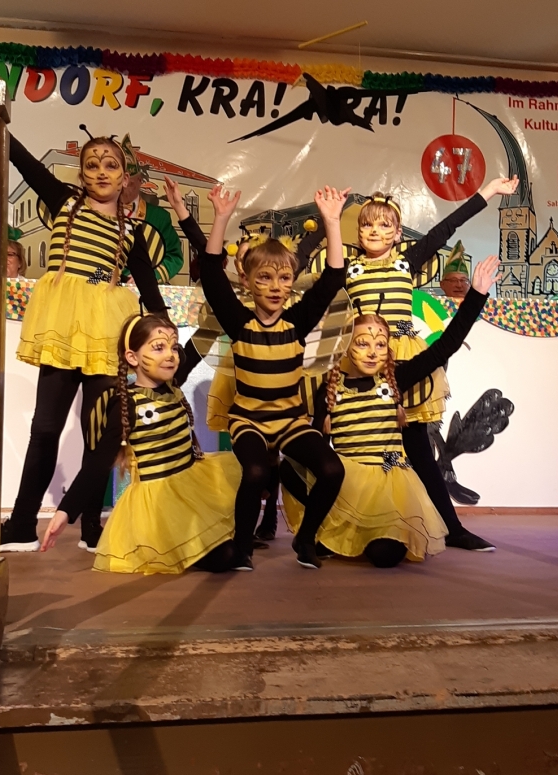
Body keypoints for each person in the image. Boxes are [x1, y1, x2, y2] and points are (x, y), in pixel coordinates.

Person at [1, 133, 167, 553]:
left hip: (106, 332)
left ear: (125, 177)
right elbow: (23, 160)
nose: (101, 172)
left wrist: (165, 335)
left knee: (99, 434)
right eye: (92, 165)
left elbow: (147, 287)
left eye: (111, 165)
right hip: (62, 328)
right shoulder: (64, 202)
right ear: (81, 174)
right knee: (44, 428)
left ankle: (92, 527)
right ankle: (22, 524)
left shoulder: (132, 230)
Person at [282, 255, 501, 567]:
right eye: (362, 344)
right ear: (346, 346)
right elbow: (317, 448)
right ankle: (321, 529)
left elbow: (445, 345)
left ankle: (367, 531)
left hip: (386, 484)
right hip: (348, 484)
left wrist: (476, 294)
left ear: (389, 350)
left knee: (386, 556)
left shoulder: (395, 379)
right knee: (290, 467)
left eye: (380, 345)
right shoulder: (330, 388)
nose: (372, 353)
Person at [346, 177, 518, 551]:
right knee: (352, 443)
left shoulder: (405, 262)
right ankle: (335, 526)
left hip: (402, 360)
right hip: (363, 360)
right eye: (367, 224)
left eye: (385, 225)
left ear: (397, 234)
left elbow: (445, 229)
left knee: (418, 447)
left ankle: (452, 528)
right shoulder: (348, 269)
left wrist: (488, 192)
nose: (375, 231)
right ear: (358, 232)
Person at [198, 184, 349, 571]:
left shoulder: (297, 323)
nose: (276, 287)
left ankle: (305, 537)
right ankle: (242, 548)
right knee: (256, 471)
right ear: (248, 282)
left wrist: (332, 222)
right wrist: (221, 218)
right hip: (248, 420)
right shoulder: (239, 321)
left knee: (332, 470)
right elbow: (211, 272)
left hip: (290, 421)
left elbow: (333, 276)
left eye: (284, 278)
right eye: (264, 278)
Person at [41, 313, 242, 573]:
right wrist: (65, 511)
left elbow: (197, 346)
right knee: (225, 557)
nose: (170, 355)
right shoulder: (128, 404)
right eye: (158, 347)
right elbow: (97, 464)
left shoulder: (173, 384)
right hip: (159, 504)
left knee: (234, 542)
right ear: (133, 357)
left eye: (173, 347)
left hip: (192, 487)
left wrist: (218, 315)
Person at [119, 134, 184, 285]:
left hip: (148, 290)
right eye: (120, 182)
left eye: (130, 183)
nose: (124, 187)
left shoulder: (159, 217)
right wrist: (99, 280)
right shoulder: (100, 214)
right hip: (109, 290)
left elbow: (175, 257)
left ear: (140, 181)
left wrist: (150, 277)